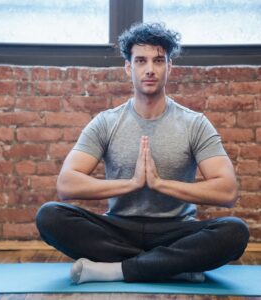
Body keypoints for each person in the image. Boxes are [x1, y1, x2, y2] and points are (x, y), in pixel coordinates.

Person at [36, 22, 249, 284]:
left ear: (169, 67)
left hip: (176, 230)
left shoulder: (195, 123)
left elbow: (227, 191)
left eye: (158, 60)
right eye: (141, 61)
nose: (150, 69)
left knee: (235, 232)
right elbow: (66, 184)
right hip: (118, 229)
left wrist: (160, 184)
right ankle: (170, 266)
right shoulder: (106, 122)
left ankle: (118, 269)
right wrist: (132, 184)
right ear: (129, 67)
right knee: (50, 216)